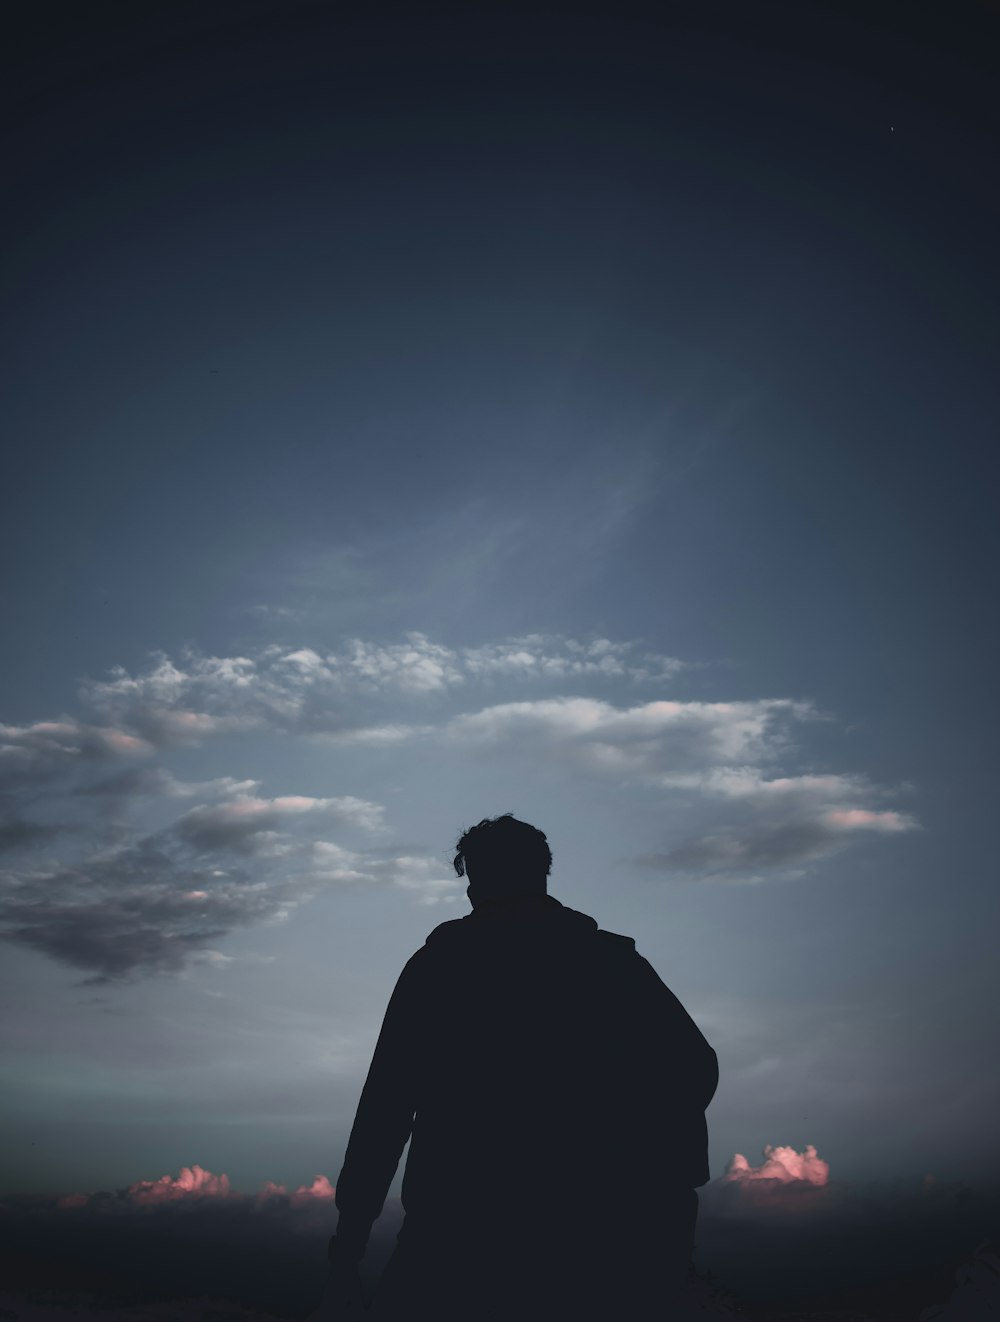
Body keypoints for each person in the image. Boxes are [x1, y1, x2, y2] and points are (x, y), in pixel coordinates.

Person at [320, 814, 718, 1320]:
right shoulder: (611, 965)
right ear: (542, 875)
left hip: (456, 1230)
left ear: (476, 881)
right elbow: (693, 1069)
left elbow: (386, 1109)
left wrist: (349, 1247)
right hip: (595, 1233)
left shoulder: (440, 969)